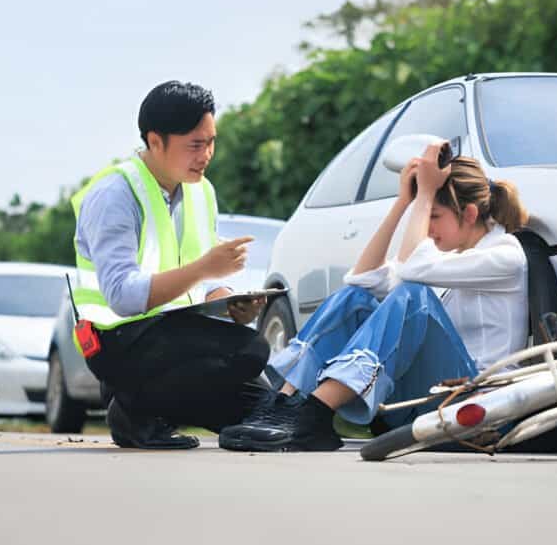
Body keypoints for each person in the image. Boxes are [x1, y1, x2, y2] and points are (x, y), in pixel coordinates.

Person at [218, 143, 530, 452]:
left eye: (434, 216)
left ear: (470, 213)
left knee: (413, 294)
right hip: (430, 400)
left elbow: (412, 271)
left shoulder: (505, 256)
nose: (427, 229)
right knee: (355, 296)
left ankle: (314, 412)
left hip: (476, 407)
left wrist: (424, 195)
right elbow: (361, 279)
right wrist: (403, 203)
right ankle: (284, 405)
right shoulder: (441, 260)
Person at [72, 81, 271, 449]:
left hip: (176, 338)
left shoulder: (201, 191)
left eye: (211, 141)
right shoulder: (115, 195)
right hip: (117, 340)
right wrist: (205, 269)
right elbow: (121, 296)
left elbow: (205, 280)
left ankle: (159, 410)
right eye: (195, 144)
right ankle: (132, 412)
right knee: (250, 349)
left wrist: (230, 302)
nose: (207, 154)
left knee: (266, 409)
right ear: (156, 141)